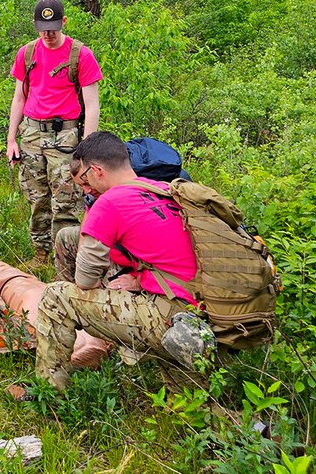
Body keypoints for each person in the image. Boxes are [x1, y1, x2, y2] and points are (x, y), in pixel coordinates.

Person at [34, 131, 216, 391]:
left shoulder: (109, 202)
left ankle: (50, 394)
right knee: (193, 407)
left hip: (169, 312)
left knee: (57, 297)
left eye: (85, 182)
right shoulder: (164, 189)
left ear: (96, 171)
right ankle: (256, 428)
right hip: (202, 306)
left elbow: (85, 280)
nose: (86, 191)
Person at [7, 0, 102, 266]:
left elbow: (92, 105)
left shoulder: (80, 54)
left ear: (64, 23)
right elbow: (19, 98)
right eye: (42, 28)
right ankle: (40, 254)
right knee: (37, 199)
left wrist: (87, 149)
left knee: (66, 201)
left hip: (66, 137)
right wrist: (11, 139)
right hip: (32, 135)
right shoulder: (27, 53)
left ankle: (66, 259)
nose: (48, 34)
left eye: (53, 28)